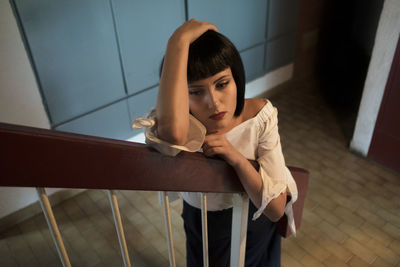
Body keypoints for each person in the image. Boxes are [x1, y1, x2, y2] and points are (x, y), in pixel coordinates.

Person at [133, 19, 297, 267]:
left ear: (236, 78)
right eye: (195, 92)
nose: (214, 103)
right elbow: (172, 134)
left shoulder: (260, 116)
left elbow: (275, 209)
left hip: (255, 217)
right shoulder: (179, 124)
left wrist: (237, 159)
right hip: (202, 220)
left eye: (222, 84)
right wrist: (177, 41)